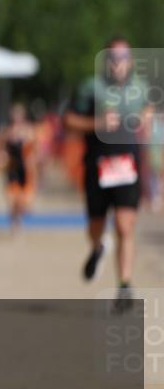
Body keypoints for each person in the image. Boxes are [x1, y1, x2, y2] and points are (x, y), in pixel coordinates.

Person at [64, 37, 153, 312]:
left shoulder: (140, 88)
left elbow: (148, 111)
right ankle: (97, 248)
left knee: (126, 226)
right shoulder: (91, 88)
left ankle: (124, 285)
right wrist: (97, 123)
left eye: (124, 57)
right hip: (98, 165)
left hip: (127, 166)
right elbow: (68, 120)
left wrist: (146, 121)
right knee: (96, 227)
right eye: (113, 58)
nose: (118, 63)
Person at [0, 103, 37, 235]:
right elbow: (1, 149)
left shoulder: (29, 130)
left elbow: (34, 150)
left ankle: (18, 218)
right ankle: (14, 221)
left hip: (25, 169)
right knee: (12, 198)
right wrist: (1, 157)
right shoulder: (6, 131)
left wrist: (33, 163)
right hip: (12, 169)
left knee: (23, 201)